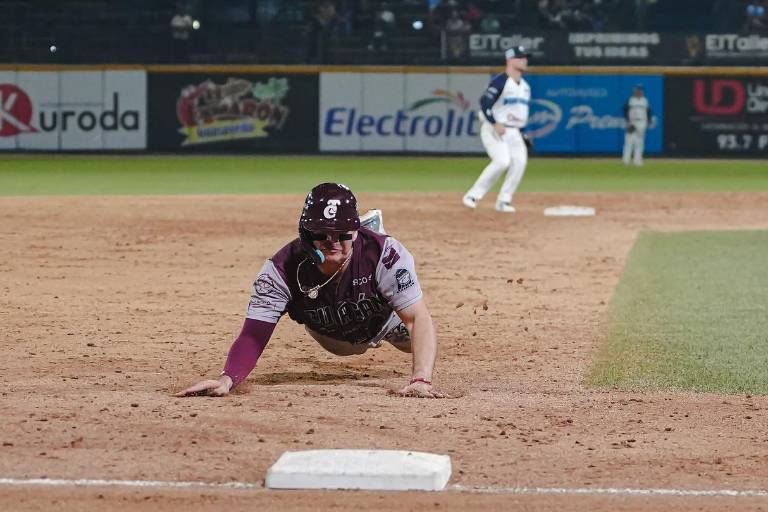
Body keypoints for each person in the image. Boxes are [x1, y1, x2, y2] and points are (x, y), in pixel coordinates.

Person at [176, 183, 443, 399]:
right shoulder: (281, 270)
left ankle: (372, 233)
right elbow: (253, 335)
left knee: (412, 341)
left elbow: (417, 318)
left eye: (342, 234)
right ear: (305, 234)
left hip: (384, 320)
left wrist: (421, 380)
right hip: (331, 336)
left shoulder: (385, 253)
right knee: (347, 348)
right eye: (322, 234)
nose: (332, 242)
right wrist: (227, 379)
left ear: (355, 231)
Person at [462, 45, 533, 213]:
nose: (524, 61)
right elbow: (484, 103)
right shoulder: (501, 81)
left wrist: (523, 134)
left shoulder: (525, 87)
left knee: (520, 162)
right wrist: (495, 123)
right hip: (494, 128)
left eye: (525, 58)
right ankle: (473, 195)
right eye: (520, 57)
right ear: (510, 60)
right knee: (502, 161)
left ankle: (504, 201)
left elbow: (520, 114)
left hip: (514, 131)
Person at [622, 84, 652, 167]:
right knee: (629, 141)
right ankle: (626, 160)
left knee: (640, 142)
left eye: (640, 90)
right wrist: (628, 122)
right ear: (634, 91)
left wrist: (649, 121)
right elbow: (625, 110)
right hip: (632, 122)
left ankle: (637, 160)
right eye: (637, 90)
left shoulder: (645, 100)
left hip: (642, 122)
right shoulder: (630, 100)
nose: (639, 91)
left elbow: (649, 111)